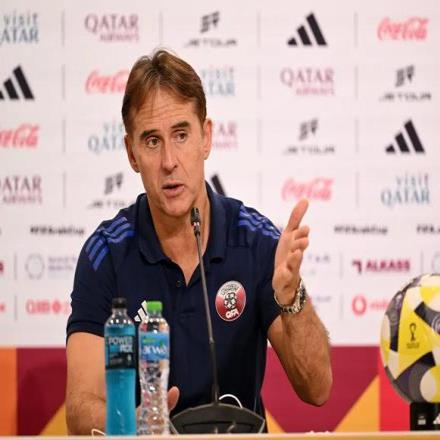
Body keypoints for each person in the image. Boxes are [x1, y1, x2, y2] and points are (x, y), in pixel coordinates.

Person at [65, 48, 332, 435]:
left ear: (206, 138)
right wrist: (137, 423)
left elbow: (318, 389)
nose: (169, 161)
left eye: (181, 134)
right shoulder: (105, 254)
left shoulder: (255, 242)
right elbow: (79, 411)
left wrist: (292, 299)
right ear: (131, 153)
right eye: (152, 141)